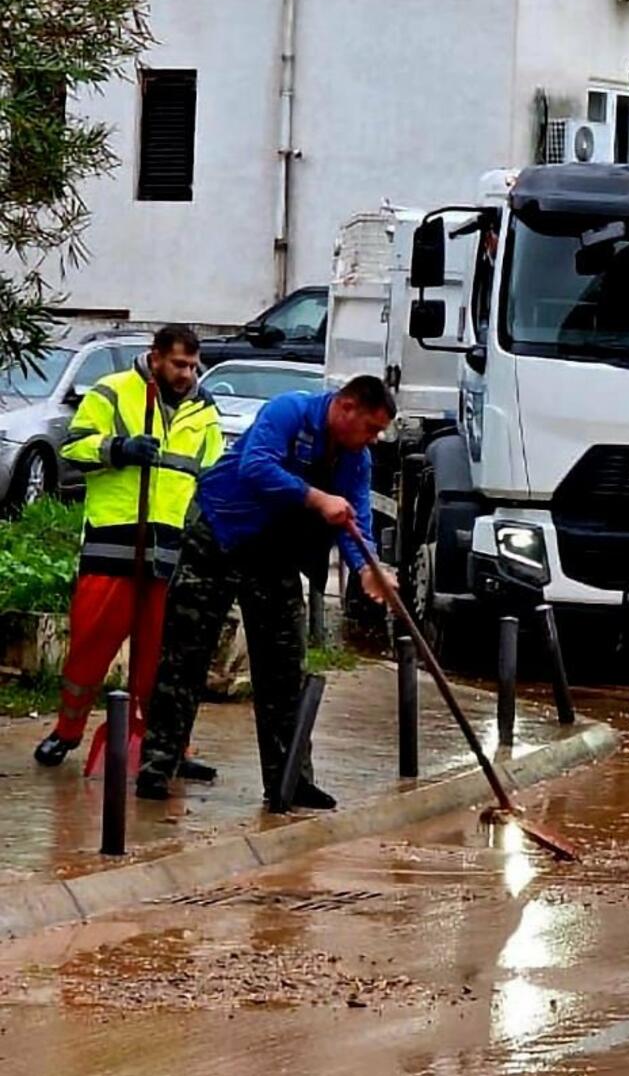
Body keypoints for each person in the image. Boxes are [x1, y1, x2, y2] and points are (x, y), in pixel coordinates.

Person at [136, 373, 397, 809]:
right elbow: (255, 466)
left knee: (284, 671)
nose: (373, 439)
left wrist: (367, 567)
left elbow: (356, 519)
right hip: (219, 535)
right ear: (347, 407)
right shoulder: (289, 410)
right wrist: (316, 498)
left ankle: (290, 778)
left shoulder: (356, 459)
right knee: (185, 656)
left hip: (274, 554)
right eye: (371, 428)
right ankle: (158, 767)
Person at [34, 324, 223, 768]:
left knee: (163, 658)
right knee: (90, 645)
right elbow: (73, 448)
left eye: (193, 365)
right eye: (179, 363)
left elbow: (213, 473)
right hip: (112, 541)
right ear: (155, 356)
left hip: (170, 549)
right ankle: (67, 732)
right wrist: (118, 448)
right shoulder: (114, 392)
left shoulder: (203, 409)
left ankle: (167, 746)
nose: (187, 373)